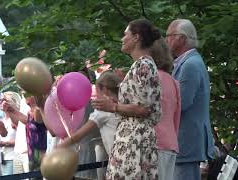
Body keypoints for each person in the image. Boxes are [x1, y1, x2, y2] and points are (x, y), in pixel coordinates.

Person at [92, 19, 162, 179]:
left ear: (136, 38)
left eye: (125, 35)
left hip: (134, 141)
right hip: (133, 138)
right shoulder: (142, 65)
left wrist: (113, 107)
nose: (122, 39)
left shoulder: (143, 65)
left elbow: (144, 109)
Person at [166, 19, 215, 180]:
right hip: (185, 141)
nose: (166, 40)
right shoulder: (188, 62)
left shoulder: (190, 65)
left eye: (169, 36)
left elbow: (182, 103)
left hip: (186, 141)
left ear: (181, 38)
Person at [59, 70, 121, 180]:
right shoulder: (124, 104)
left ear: (104, 90)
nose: (96, 95)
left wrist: (58, 148)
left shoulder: (103, 110)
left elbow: (78, 135)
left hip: (117, 160)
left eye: (97, 91)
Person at [150, 38, 181, 180]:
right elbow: (177, 116)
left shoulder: (152, 78)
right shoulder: (173, 81)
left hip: (155, 142)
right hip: (170, 142)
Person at [3, 95, 47, 179]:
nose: (23, 93)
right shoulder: (27, 105)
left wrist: (34, 105)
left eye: (25, 92)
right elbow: (25, 122)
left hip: (36, 154)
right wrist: (12, 110)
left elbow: (37, 122)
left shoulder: (39, 107)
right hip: (25, 152)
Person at [0, 91, 19, 175]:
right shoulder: (2, 120)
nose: (1, 103)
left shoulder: (16, 120)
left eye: (5, 100)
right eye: (1, 100)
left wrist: (4, 143)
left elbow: (23, 140)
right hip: (1, 158)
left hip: (12, 158)